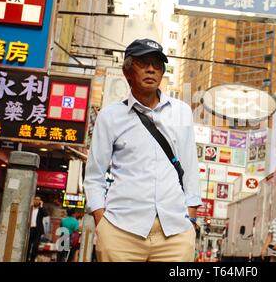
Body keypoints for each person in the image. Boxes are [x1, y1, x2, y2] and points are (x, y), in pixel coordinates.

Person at [84, 38, 201, 262]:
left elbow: (190, 170)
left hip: (175, 234)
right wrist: (102, 223)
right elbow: (94, 175)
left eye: (157, 64)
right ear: (128, 71)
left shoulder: (182, 112)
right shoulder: (110, 116)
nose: (151, 69)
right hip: (121, 231)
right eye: (143, 63)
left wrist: (191, 221)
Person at [27, 196, 48, 262]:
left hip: (37, 230)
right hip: (30, 230)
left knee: (35, 247)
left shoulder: (40, 210)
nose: (36, 201)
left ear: (40, 201)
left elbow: (45, 214)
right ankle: (26, 259)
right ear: (33, 200)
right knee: (28, 246)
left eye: (38, 200)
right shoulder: (30, 208)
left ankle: (32, 260)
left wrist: (41, 206)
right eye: (35, 199)